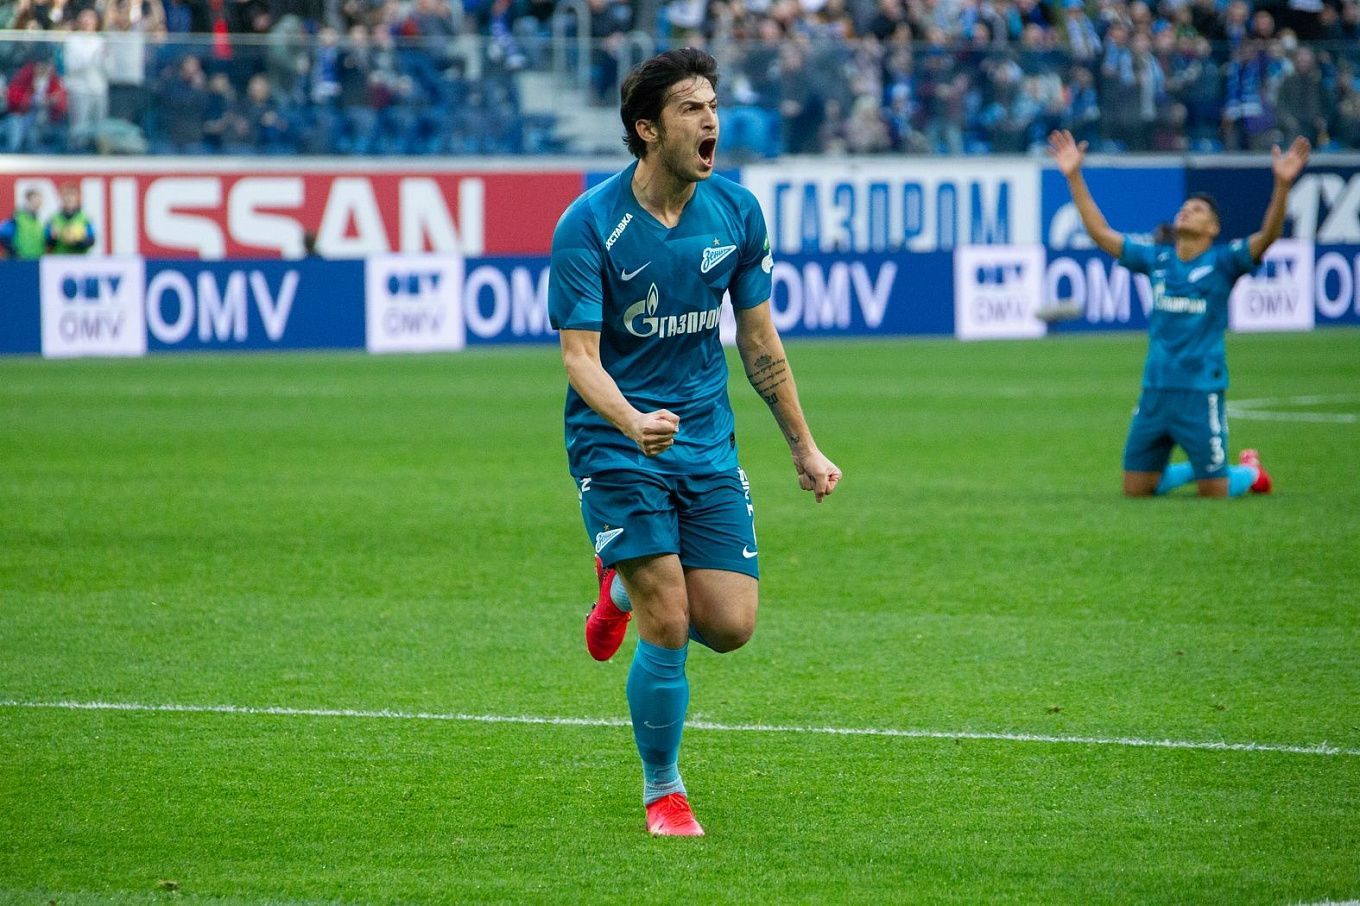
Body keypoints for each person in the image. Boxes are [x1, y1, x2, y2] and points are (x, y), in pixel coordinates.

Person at [548, 48, 841, 837]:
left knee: (731, 625)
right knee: (670, 618)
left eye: (712, 105)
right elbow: (580, 359)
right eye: (691, 108)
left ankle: (615, 588)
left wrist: (804, 448)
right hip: (617, 443)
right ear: (648, 129)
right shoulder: (589, 225)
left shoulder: (737, 212)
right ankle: (664, 790)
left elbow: (760, 342)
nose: (712, 120)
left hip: (706, 441)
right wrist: (630, 422)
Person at [1046, 128, 1311, 498]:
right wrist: (1074, 176)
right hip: (1155, 390)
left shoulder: (1224, 263)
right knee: (1136, 489)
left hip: (1200, 392)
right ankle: (1203, 470)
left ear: (1212, 228)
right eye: (1185, 207)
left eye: (1197, 210)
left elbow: (1267, 236)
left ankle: (1248, 472)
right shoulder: (1157, 259)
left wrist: (1282, 185)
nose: (1186, 210)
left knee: (1215, 491)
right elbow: (1101, 234)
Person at [45, 183, 96, 255]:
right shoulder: (53, 219)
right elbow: (47, 243)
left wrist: (77, 241)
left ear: (77, 198)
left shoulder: (85, 218)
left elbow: (92, 241)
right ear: (62, 198)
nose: (69, 199)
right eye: (66, 196)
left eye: (72, 196)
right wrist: (53, 238)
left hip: (80, 259)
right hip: (60, 258)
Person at [0, 188, 47, 260]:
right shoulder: (17, 218)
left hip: (36, 259)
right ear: (28, 200)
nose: (38, 202)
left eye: (39, 200)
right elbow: (3, 234)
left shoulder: (40, 221)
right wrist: (13, 252)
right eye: (35, 199)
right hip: (20, 260)